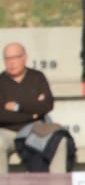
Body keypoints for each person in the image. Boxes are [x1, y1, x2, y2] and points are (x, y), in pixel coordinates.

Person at [0, 43, 71, 173]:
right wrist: (33, 112)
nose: (11, 63)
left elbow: (47, 105)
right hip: (7, 132)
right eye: (7, 58)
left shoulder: (37, 77)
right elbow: (2, 116)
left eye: (15, 57)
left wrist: (17, 106)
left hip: (35, 129)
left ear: (25, 57)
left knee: (60, 142)